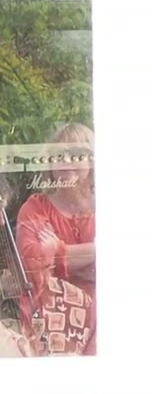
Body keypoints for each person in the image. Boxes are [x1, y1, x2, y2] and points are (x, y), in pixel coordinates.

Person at [15, 122, 97, 357]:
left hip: (104, 326)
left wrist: (58, 253)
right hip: (51, 329)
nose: (66, 161)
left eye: (75, 154)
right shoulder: (35, 208)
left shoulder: (106, 205)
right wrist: (97, 253)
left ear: (91, 161)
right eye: (58, 155)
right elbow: (33, 266)